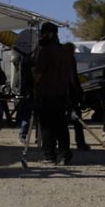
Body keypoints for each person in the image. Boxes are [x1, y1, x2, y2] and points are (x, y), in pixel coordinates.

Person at [31, 22, 80, 164]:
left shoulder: (46, 51)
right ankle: (65, 153)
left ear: (49, 33)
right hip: (61, 93)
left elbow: (39, 73)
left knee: (47, 127)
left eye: (43, 33)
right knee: (61, 126)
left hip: (46, 93)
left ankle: (49, 155)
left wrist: (33, 84)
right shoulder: (65, 51)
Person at [63, 42, 91, 150]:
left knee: (65, 121)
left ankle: (64, 144)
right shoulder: (70, 60)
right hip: (71, 95)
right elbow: (73, 79)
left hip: (62, 94)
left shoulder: (60, 60)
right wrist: (80, 94)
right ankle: (80, 143)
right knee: (77, 121)